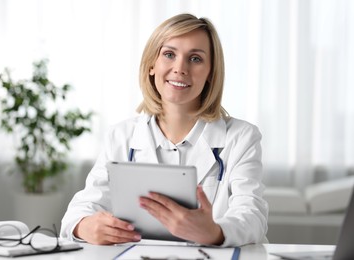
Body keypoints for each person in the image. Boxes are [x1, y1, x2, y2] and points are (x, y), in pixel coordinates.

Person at [60, 13, 268, 247]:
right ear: (151, 65)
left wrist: (215, 232)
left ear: (211, 73)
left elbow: (252, 217)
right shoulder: (121, 136)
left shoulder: (241, 138)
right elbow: (78, 212)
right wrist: (85, 226)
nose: (180, 68)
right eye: (169, 54)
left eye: (196, 59)